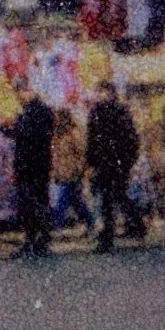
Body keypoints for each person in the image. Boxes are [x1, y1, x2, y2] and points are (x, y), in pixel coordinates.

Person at [83, 82, 143, 252]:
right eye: (99, 92)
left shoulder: (118, 111)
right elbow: (92, 139)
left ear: (110, 93)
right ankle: (125, 230)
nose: (100, 95)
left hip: (116, 163)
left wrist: (127, 161)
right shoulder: (97, 112)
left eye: (103, 92)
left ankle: (113, 236)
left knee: (115, 198)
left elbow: (131, 139)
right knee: (111, 199)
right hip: (106, 163)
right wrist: (91, 161)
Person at [10, 92, 56, 256]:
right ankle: (40, 239)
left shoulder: (32, 114)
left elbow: (27, 137)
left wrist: (15, 127)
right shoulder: (42, 112)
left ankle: (34, 240)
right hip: (38, 167)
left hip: (30, 167)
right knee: (38, 203)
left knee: (30, 205)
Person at [49, 101, 92, 239]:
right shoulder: (57, 135)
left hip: (72, 173)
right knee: (76, 202)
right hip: (62, 173)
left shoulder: (74, 133)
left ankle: (56, 227)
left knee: (61, 201)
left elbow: (81, 153)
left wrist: (79, 170)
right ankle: (90, 223)